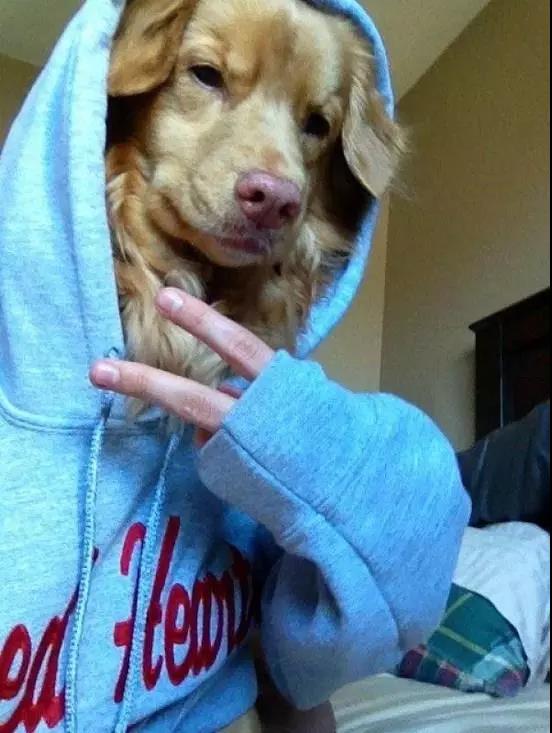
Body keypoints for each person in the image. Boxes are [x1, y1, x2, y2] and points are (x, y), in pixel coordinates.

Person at [0, 0, 470, 731]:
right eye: (209, 75)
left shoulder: (254, 446)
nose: (276, 177)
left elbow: (312, 670)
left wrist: (303, 438)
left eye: (313, 124)